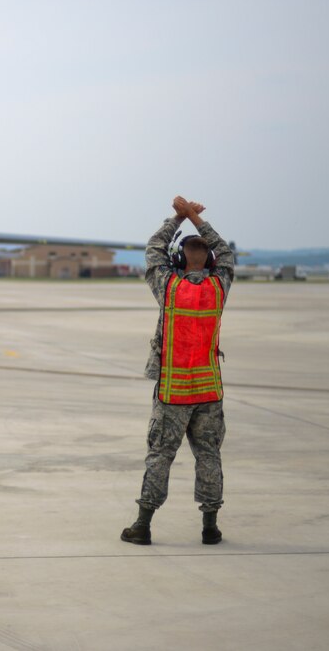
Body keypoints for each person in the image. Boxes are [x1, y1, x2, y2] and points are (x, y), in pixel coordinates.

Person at [121, 196, 235, 546]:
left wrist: (178, 217)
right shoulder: (219, 287)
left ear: (178, 259)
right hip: (208, 392)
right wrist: (198, 222)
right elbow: (227, 254)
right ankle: (210, 527)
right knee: (209, 456)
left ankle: (143, 525)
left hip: (173, 392)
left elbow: (154, 247)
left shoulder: (169, 287)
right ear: (212, 261)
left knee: (160, 456)